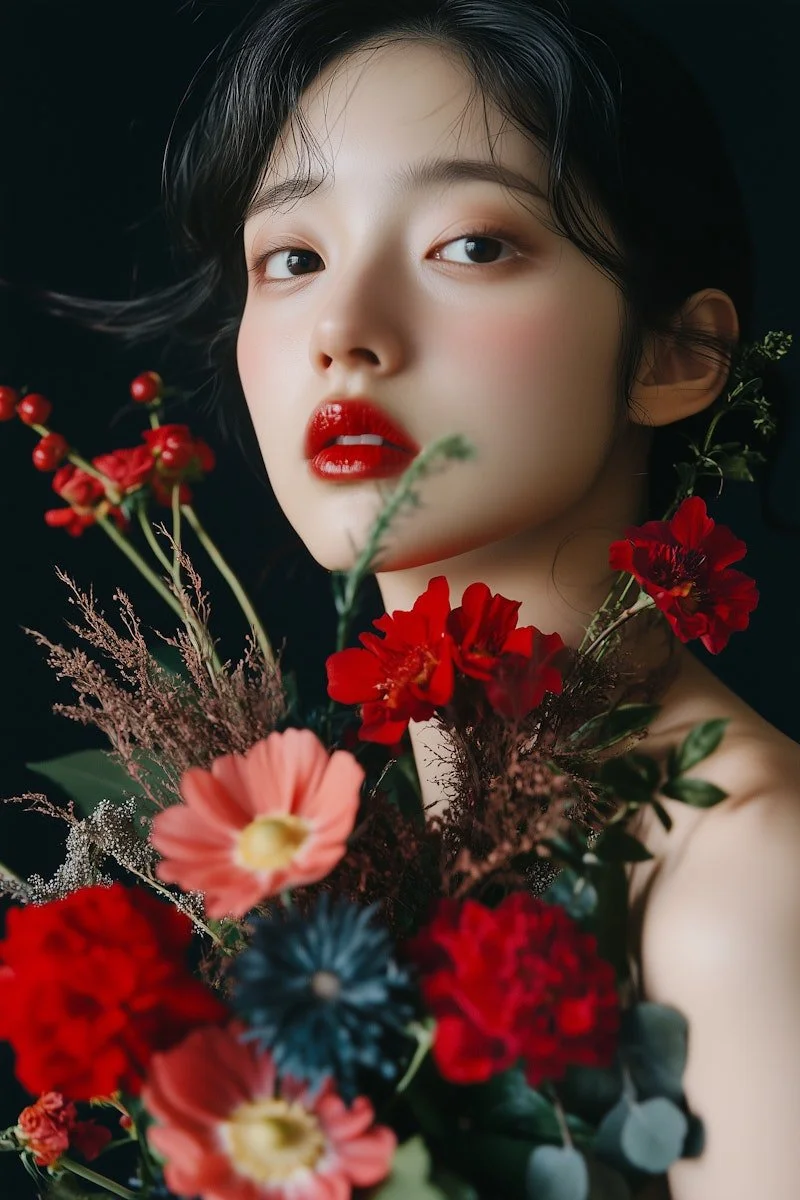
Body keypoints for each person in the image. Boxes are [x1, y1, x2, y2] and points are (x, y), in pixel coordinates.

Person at [11, 1, 800, 1196]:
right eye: (293, 258)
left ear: (672, 355)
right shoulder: (341, 862)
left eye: (471, 245)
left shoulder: (749, 882)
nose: (343, 329)